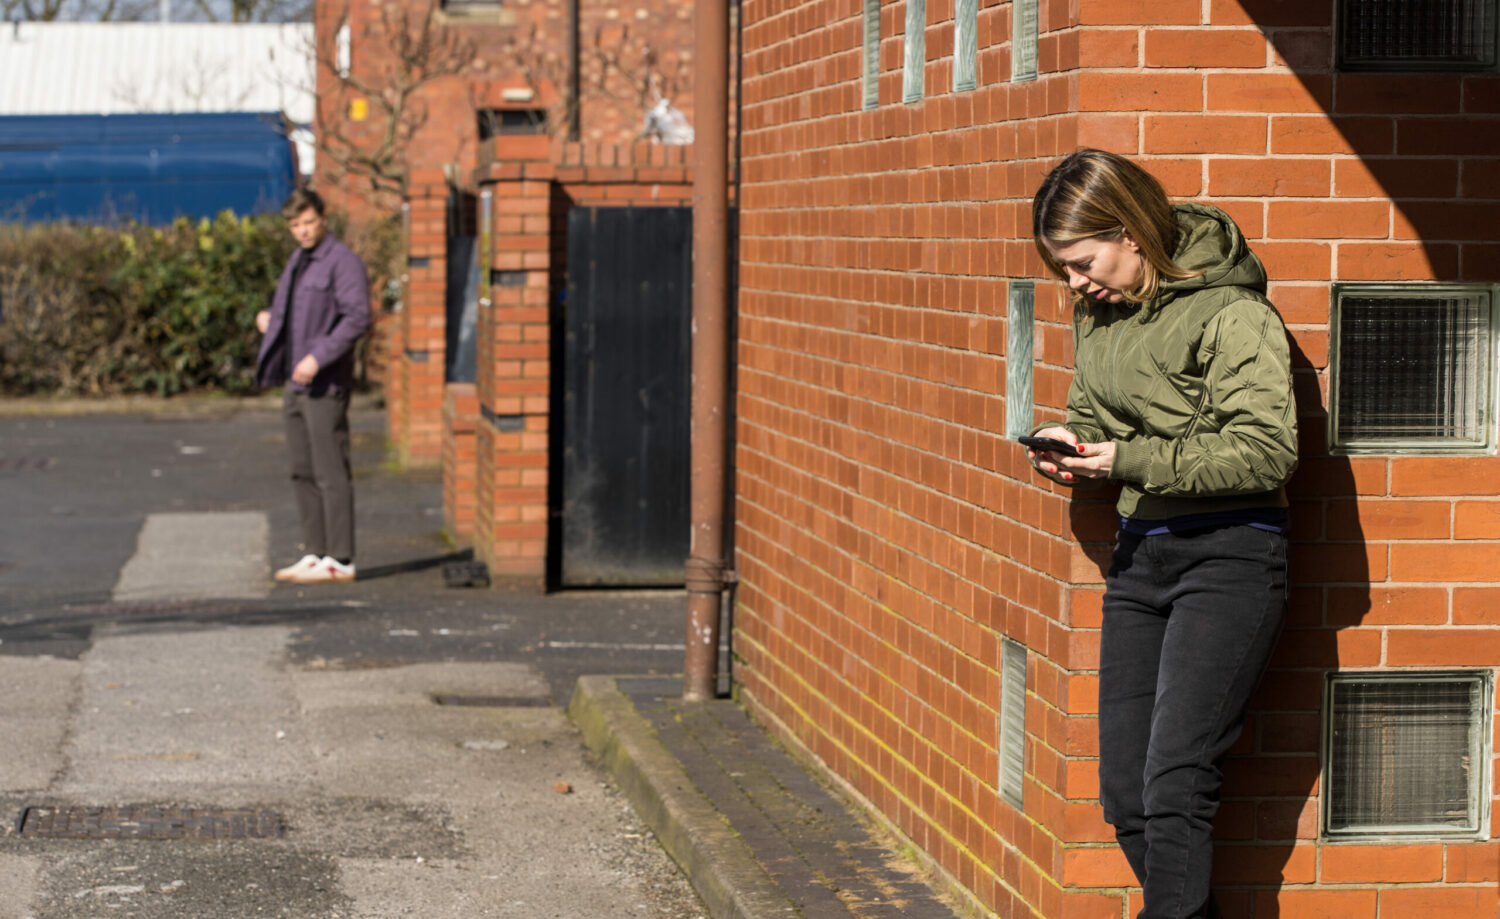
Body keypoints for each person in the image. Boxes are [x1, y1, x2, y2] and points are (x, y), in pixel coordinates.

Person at [1025, 149, 1298, 919]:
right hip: (1142, 555)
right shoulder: (1101, 316)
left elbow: (1269, 449)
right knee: (1127, 794)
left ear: (1133, 232)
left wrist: (1131, 457)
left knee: (1177, 784)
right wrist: (1073, 448)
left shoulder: (1233, 312)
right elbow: (1094, 414)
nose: (1075, 283)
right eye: (1063, 268)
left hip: (1231, 554)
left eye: (1083, 262)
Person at [255, 188, 371, 584]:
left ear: (323, 218)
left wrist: (318, 357)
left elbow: (356, 318)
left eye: (308, 222)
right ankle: (316, 551)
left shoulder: (342, 262)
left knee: (330, 469)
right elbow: (299, 313)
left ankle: (340, 557)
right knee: (301, 470)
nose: (302, 231)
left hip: (324, 384)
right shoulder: (298, 262)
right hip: (294, 382)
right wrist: (271, 318)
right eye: (295, 226)